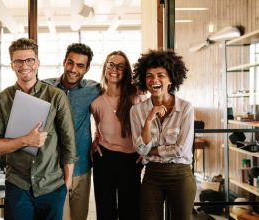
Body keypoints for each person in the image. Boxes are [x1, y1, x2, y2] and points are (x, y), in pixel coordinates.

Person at [0, 38, 77, 220]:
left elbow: (69, 144)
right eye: (18, 61)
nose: (24, 65)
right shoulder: (1, 100)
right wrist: (26, 140)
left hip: (51, 185)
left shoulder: (56, 97)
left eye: (29, 60)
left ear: (38, 63)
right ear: (12, 65)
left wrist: (66, 184)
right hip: (17, 186)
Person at [130, 49, 196, 220]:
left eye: (161, 75)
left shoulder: (186, 108)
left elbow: (180, 149)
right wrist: (149, 119)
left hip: (180, 175)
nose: (154, 80)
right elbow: (139, 149)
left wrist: (151, 150)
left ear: (171, 79)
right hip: (152, 176)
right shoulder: (137, 111)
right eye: (149, 76)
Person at [43, 43, 99, 220]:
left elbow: (112, 106)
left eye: (80, 65)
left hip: (81, 167)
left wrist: (99, 136)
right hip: (52, 170)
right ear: (64, 62)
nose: (73, 69)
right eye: (70, 62)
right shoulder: (45, 88)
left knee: (78, 217)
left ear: (87, 68)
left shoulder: (93, 90)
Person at [90, 51, 144, 220]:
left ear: (126, 71)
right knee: (105, 210)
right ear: (105, 68)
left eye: (120, 66)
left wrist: (145, 151)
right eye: (111, 64)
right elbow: (98, 127)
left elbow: (148, 127)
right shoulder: (96, 101)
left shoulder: (136, 97)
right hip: (104, 158)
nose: (115, 69)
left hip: (131, 159)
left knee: (130, 210)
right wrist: (94, 142)